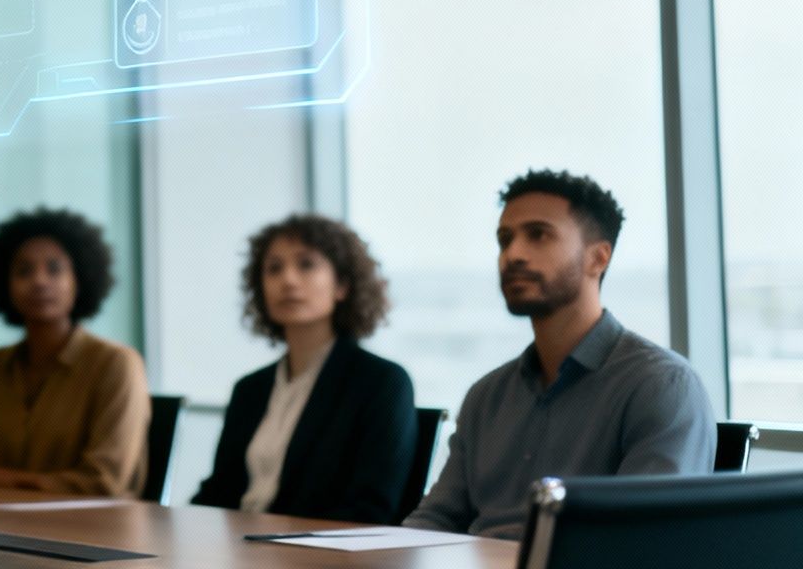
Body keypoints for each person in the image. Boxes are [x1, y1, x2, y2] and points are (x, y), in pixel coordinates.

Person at [404, 169, 716, 539]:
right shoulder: (486, 396)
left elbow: (645, 539)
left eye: (538, 235)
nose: (513, 254)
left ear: (598, 258)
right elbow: (435, 519)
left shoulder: (660, 386)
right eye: (505, 239)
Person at [191, 214, 415, 522]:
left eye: (306, 264)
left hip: (314, 548)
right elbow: (218, 492)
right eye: (274, 268)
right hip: (235, 543)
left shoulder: (381, 382)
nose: (288, 280)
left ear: (342, 286)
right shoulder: (249, 389)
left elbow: (371, 507)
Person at [0, 207, 149, 497]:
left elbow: (102, 482)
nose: (39, 281)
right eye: (23, 271)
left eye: (54, 269)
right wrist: (27, 483)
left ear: (79, 279)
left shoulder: (116, 364)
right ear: (4, 284)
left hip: (88, 524)